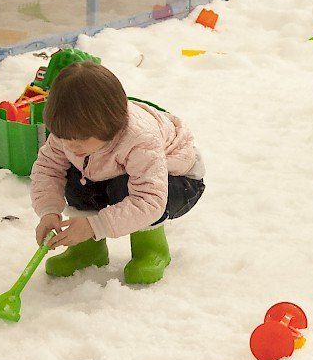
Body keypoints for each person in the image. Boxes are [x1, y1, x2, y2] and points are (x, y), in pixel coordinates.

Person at [29, 62, 205, 285]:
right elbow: (48, 168)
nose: (71, 145)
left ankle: (150, 248)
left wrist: (94, 226)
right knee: (76, 180)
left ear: (109, 125)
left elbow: (149, 200)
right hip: (111, 172)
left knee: (123, 187)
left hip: (176, 183)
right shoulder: (70, 132)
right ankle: (88, 251)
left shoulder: (140, 139)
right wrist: (48, 212)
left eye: (81, 139)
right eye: (64, 137)